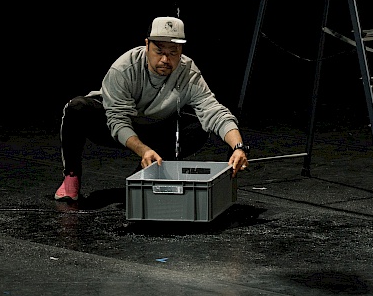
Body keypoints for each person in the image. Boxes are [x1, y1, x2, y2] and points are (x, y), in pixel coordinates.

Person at [54, 15, 249, 201]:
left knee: (197, 127)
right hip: (114, 125)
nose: (166, 59)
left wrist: (238, 147)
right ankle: (71, 176)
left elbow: (213, 111)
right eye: (159, 51)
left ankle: (144, 173)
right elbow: (117, 119)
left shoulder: (188, 73)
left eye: (173, 53)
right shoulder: (124, 68)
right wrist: (142, 149)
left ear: (181, 51)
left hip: (155, 127)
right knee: (76, 108)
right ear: (147, 45)